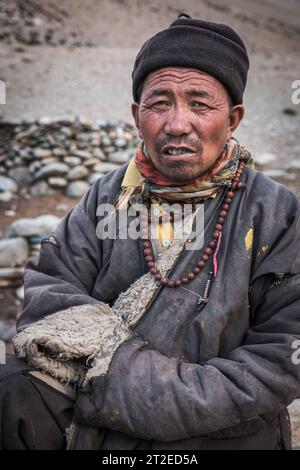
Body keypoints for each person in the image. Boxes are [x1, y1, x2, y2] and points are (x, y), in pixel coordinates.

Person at [1, 14, 300, 451]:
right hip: (102, 409)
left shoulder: (276, 214)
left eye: (200, 103)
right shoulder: (105, 197)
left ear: (233, 118)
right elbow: (48, 293)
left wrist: (144, 390)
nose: (177, 124)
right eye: (160, 103)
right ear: (137, 115)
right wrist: (130, 385)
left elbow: (281, 359)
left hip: (213, 423)